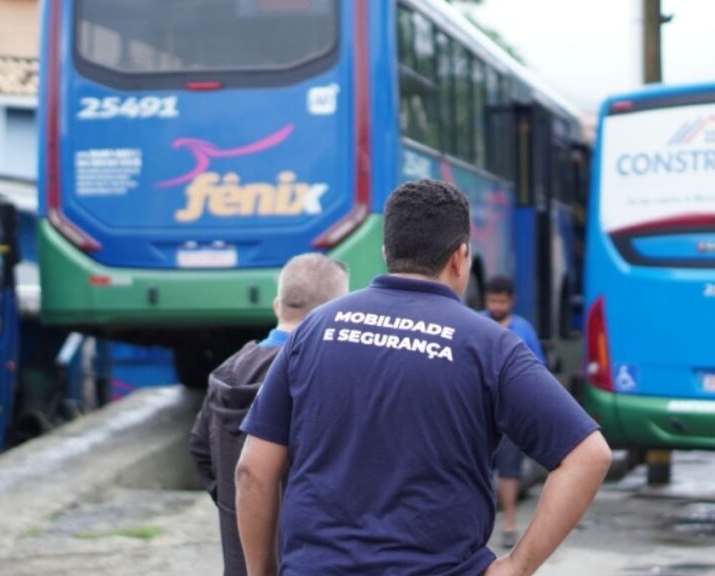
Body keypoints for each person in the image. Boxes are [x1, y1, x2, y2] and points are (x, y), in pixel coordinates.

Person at [235, 178, 612, 576]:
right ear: (460, 257)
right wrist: (517, 566)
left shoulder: (314, 329)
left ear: (386, 252)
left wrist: (262, 571)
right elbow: (589, 455)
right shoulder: (490, 346)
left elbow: (252, 470)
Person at [188, 253, 348, 576]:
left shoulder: (228, 372)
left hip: (240, 562)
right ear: (335, 314)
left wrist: (237, 507)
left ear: (278, 306)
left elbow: (200, 449)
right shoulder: (326, 375)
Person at [483, 275, 546, 548]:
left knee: (509, 472)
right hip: (479, 413)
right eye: (492, 300)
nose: (497, 306)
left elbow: (538, 372)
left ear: (512, 302)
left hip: (510, 416)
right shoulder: (475, 323)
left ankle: (509, 524)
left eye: (501, 301)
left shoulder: (524, 330)